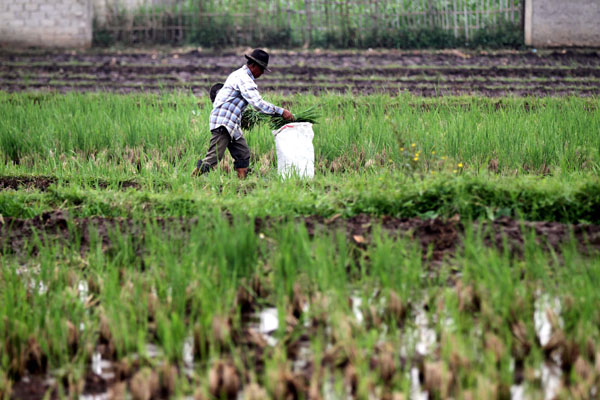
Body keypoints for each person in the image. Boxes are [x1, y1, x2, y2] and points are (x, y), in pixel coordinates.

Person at [192, 49, 294, 179]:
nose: (262, 73)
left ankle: (241, 185)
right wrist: (281, 111)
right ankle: (191, 180)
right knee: (214, 157)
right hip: (224, 122)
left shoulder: (240, 75)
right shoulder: (244, 78)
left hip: (232, 124)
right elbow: (257, 103)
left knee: (243, 154)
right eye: (262, 69)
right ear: (253, 65)